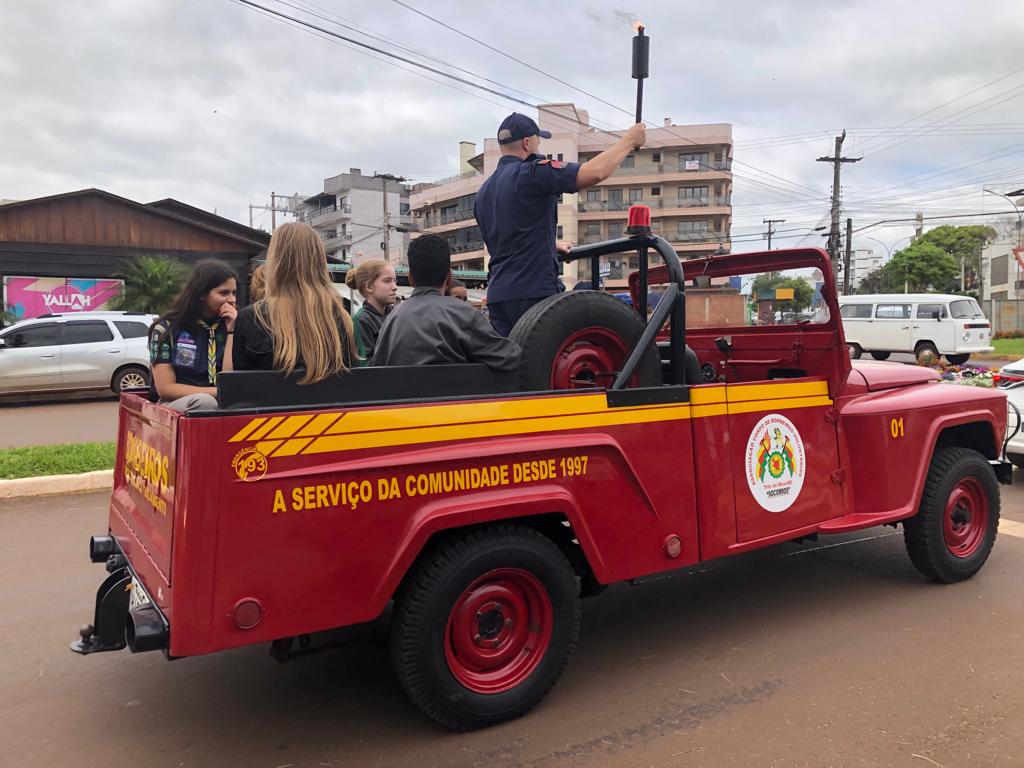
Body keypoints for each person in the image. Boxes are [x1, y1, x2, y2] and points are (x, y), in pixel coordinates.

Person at [474, 112, 647, 336]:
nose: (539, 146)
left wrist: (548, 242)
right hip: (534, 291)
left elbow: (508, 234)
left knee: (511, 357)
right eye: (538, 141)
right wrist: (629, 140)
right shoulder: (532, 171)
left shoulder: (483, 193)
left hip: (498, 295)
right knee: (555, 354)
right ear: (527, 143)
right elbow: (594, 173)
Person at [371, 234, 520, 371]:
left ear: (410, 278)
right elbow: (510, 357)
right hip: (455, 392)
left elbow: (377, 370)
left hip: (401, 392)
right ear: (449, 277)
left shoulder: (391, 320)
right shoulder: (465, 314)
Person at [233, 222, 357, 384]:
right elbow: (350, 380)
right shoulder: (340, 317)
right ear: (319, 261)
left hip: (271, 400)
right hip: (330, 400)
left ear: (276, 260)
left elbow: (241, 385)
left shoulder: (252, 317)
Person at [148, 259, 238, 411]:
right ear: (202, 294)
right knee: (206, 402)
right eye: (224, 293)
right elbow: (165, 388)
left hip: (223, 402)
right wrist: (219, 392)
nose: (232, 299)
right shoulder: (166, 329)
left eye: (234, 293)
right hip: (178, 404)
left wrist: (232, 331)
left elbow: (229, 379)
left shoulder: (232, 324)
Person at [345, 259, 397, 361]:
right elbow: (365, 363)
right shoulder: (361, 320)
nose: (395, 287)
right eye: (387, 281)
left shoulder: (396, 314)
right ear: (369, 287)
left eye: (395, 281)